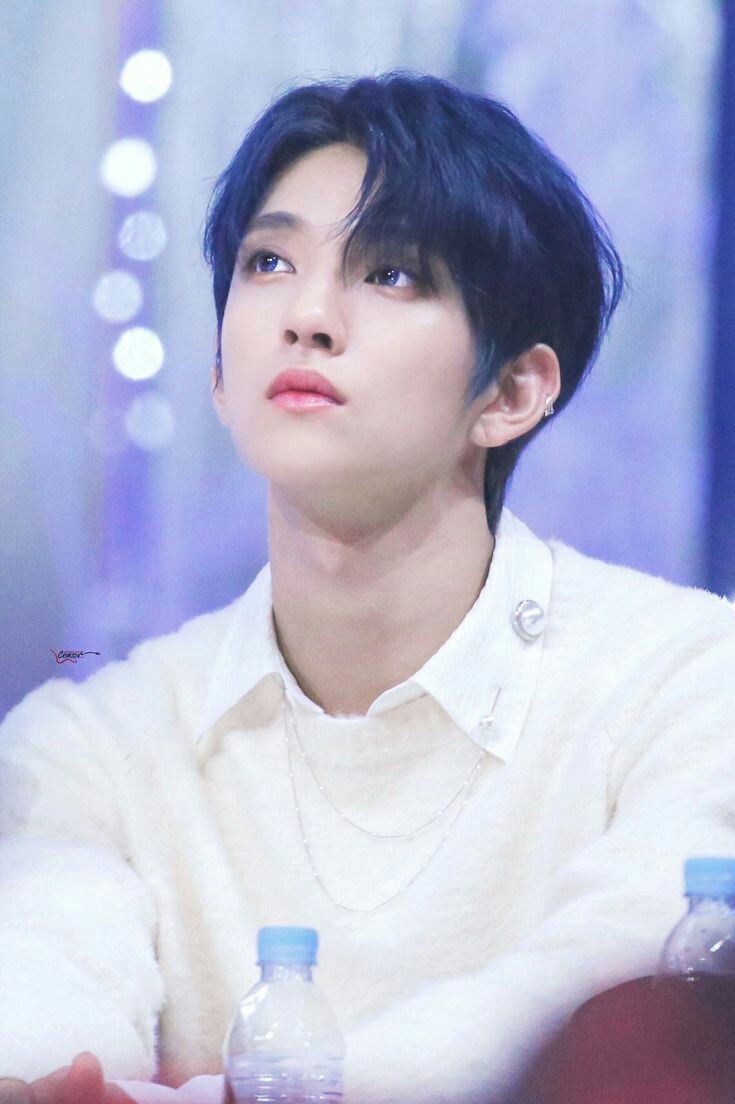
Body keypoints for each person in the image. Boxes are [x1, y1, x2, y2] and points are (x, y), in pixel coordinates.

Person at [1, 69, 734, 1104]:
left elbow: (599, 1009)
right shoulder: (92, 746)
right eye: (269, 262)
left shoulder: (690, 682)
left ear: (512, 390)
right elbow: (39, 1010)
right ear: (218, 374)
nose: (306, 316)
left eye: (389, 274)